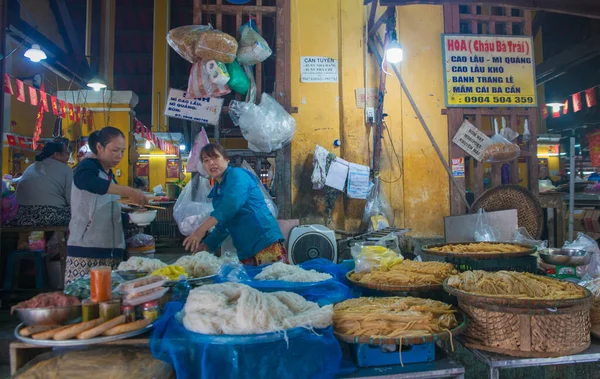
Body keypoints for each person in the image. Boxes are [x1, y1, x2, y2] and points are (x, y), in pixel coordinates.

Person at [65, 127, 147, 285]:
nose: (119, 156)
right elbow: (88, 182)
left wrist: (134, 211)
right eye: (115, 150)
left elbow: (108, 205)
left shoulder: (109, 175)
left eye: (122, 151)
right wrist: (129, 191)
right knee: (84, 301)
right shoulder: (87, 167)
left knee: (108, 302)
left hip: (110, 250)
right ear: (99, 147)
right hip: (86, 251)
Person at [183, 144, 286, 266]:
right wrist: (205, 246)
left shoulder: (237, 175)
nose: (211, 163)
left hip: (265, 241)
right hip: (246, 250)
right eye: (206, 160)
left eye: (215, 157)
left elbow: (232, 204)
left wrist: (201, 230)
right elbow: (223, 226)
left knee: (273, 281)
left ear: (227, 160)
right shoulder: (217, 193)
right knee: (253, 284)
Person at [12, 138, 73, 226]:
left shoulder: (31, 167)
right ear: (56, 154)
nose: (68, 155)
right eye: (67, 152)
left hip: (22, 216)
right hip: (48, 216)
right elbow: (71, 200)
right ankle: (57, 239)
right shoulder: (66, 170)